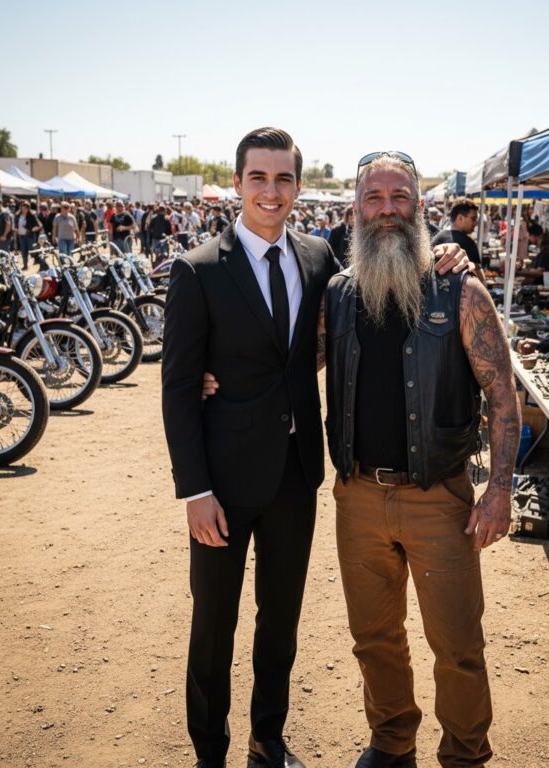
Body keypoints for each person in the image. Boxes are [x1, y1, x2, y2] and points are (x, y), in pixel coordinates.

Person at [167, 130, 469, 768]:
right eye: (258, 178)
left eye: (283, 180)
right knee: (212, 628)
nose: (271, 192)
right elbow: (175, 390)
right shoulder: (196, 270)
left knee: (279, 626)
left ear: (299, 188)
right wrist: (194, 490)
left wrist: (451, 257)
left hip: (295, 478)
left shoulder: (320, 263)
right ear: (239, 183)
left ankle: (267, 741)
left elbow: (355, 323)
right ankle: (210, 753)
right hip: (219, 486)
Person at [325, 152, 520, 768]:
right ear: (357, 207)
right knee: (374, 639)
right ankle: (391, 741)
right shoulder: (337, 295)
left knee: (457, 643)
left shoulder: (461, 290)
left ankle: (465, 754)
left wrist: (498, 491)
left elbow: (501, 395)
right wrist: (212, 376)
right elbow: (288, 363)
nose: (387, 209)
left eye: (399, 196)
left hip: (440, 498)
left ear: (420, 206)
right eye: (375, 197)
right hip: (357, 497)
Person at [431, 199, 486, 282]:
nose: (475, 223)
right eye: (473, 219)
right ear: (460, 218)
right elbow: (478, 274)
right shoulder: (468, 243)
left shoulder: (437, 237)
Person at [517, 223, 549, 288]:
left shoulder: (548, 253)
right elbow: (534, 270)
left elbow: (538, 273)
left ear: (534, 236)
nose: (528, 238)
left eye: (529, 236)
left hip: (548, 290)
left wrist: (518, 272)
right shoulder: (542, 252)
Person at [16, 201, 44, 270]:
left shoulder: (32, 215)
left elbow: (39, 225)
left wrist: (34, 229)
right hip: (21, 236)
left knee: (32, 251)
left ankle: (41, 263)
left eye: (25, 208)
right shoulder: (18, 215)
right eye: (23, 208)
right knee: (23, 251)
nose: (24, 209)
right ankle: (25, 265)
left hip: (30, 236)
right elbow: (16, 224)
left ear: (28, 208)